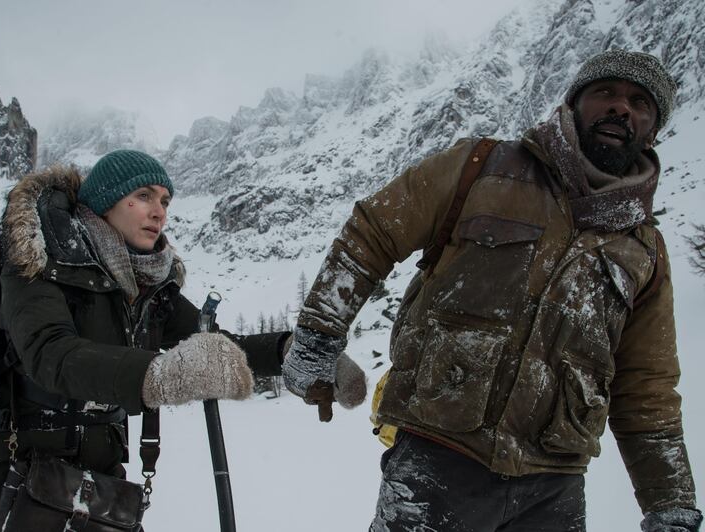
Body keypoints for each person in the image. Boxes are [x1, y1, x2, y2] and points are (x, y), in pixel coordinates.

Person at [282, 50, 702, 531]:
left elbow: (646, 389)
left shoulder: (645, 251)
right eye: (604, 92)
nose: (620, 108)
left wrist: (670, 503)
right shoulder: (480, 167)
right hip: (438, 456)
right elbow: (373, 232)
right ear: (573, 103)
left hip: (554, 487)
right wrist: (317, 335)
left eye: (639, 102)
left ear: (652, 130)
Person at [0, 149, 291, 531]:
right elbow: (51, 353)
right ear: (106, 200)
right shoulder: (38, 256)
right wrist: (161, 375)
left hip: (94, 491)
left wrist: (289, 353)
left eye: (164, 200)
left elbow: (217, 345)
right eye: (144, 195)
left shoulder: (151, 284)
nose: (159, 211)